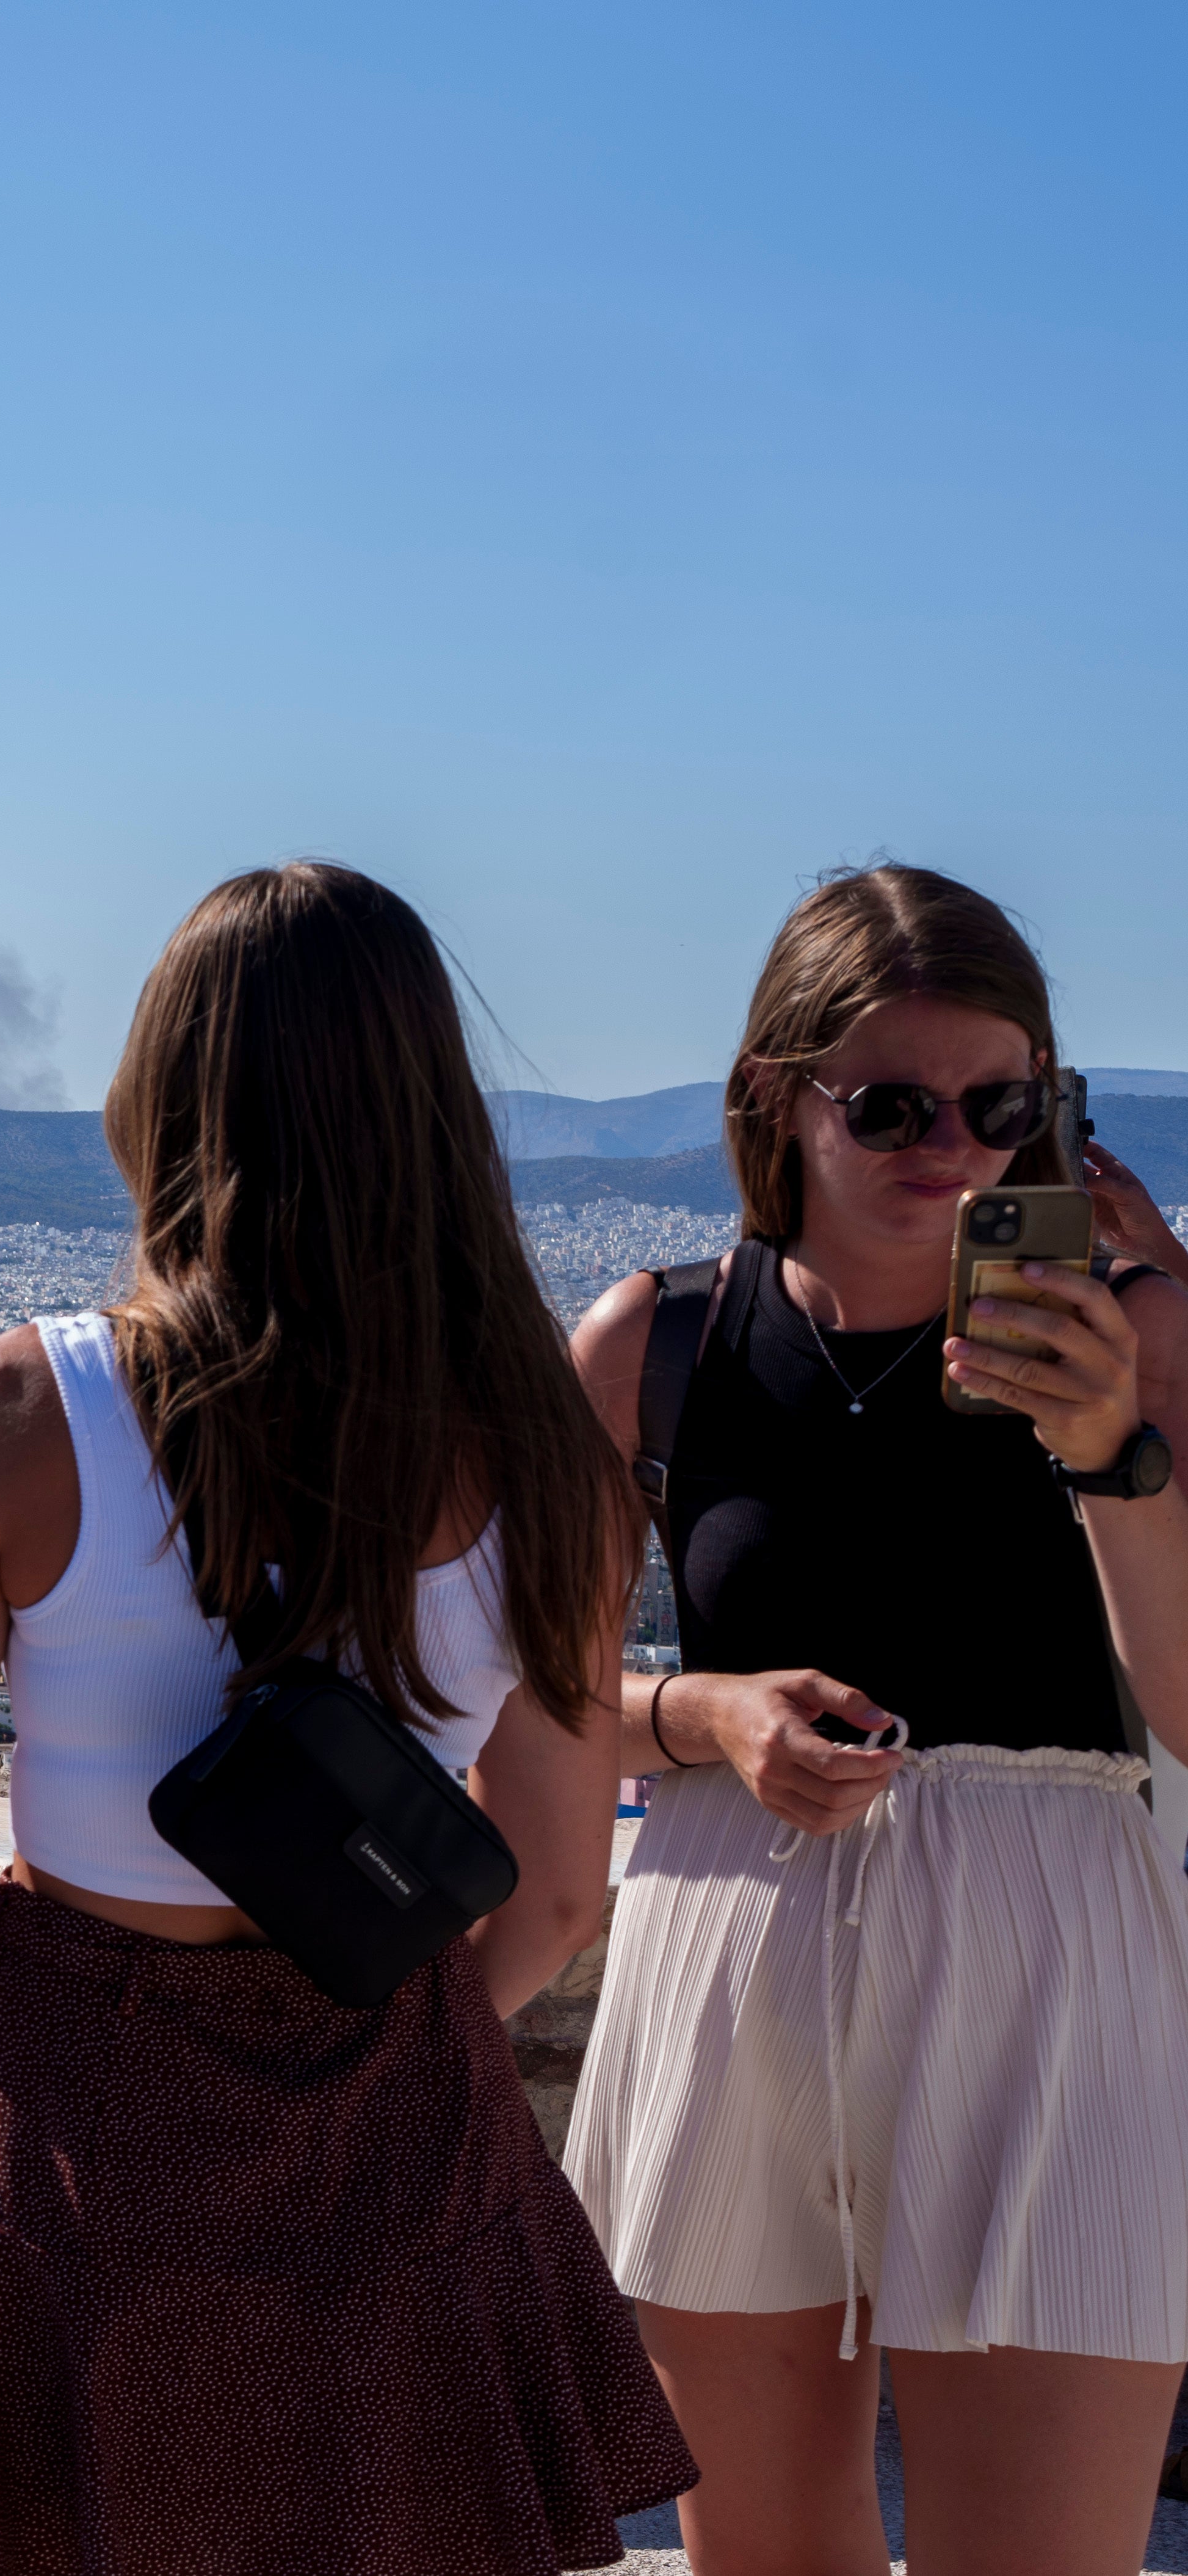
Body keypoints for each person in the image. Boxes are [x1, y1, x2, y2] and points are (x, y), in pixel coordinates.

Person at [0, 863, 692, 2575]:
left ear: (162, 1094)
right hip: (405, 2109)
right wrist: (385, 2009)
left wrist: (15, 2042)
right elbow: (562, 1890)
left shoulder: (26, 1407)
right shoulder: (548, 1458)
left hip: (76, 2082)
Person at [561, 866, 1188, 2576]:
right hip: (730, 1947)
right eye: (895, 1103)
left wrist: (1112, 1461)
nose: (959, 1150)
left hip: (1046, 1957)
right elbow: (513, 1693)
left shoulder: (1143, 1332)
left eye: (1007, 1104)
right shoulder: (662, 1340)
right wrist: (699, 1709)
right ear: (778, 1096)